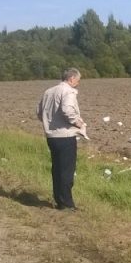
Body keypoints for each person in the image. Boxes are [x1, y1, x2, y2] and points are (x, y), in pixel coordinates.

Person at [37, 68, 86, 211]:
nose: (78, 83)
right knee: (66, 170)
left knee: (57, 169)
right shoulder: (68, 91)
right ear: (71, 79)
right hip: (65, 136)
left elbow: (39, 112)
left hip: (51, 136)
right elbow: (67, 110)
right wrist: (78, 123)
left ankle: (59, 199)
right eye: (78, 80)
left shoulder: (48, 91)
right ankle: (67, 204)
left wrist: (49, 122)